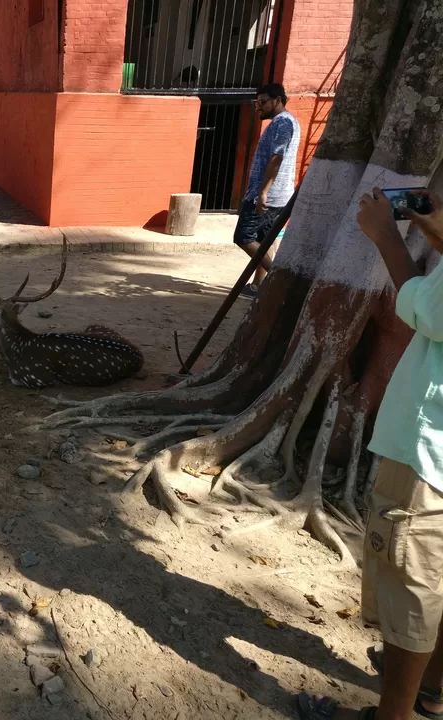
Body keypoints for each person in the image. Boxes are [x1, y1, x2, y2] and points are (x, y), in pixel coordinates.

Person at [297, 188, 443, 720]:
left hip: (431, 450)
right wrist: (430, 228)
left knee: (415, 579)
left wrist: (387, 237)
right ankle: (430, 689)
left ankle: (393, 715)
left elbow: (429, 310)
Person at [234, 82, 301, 297]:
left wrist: (263, 192)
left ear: (278, 100)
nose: (259, 107)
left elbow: (277, 157)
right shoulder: (288, 122)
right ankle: (257, 287)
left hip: (268, 195)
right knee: (264, 240)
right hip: (278, 194)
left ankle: (275, 279)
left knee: (243, 237)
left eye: (262, 102)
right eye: (257, 103)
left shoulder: (283, 123)